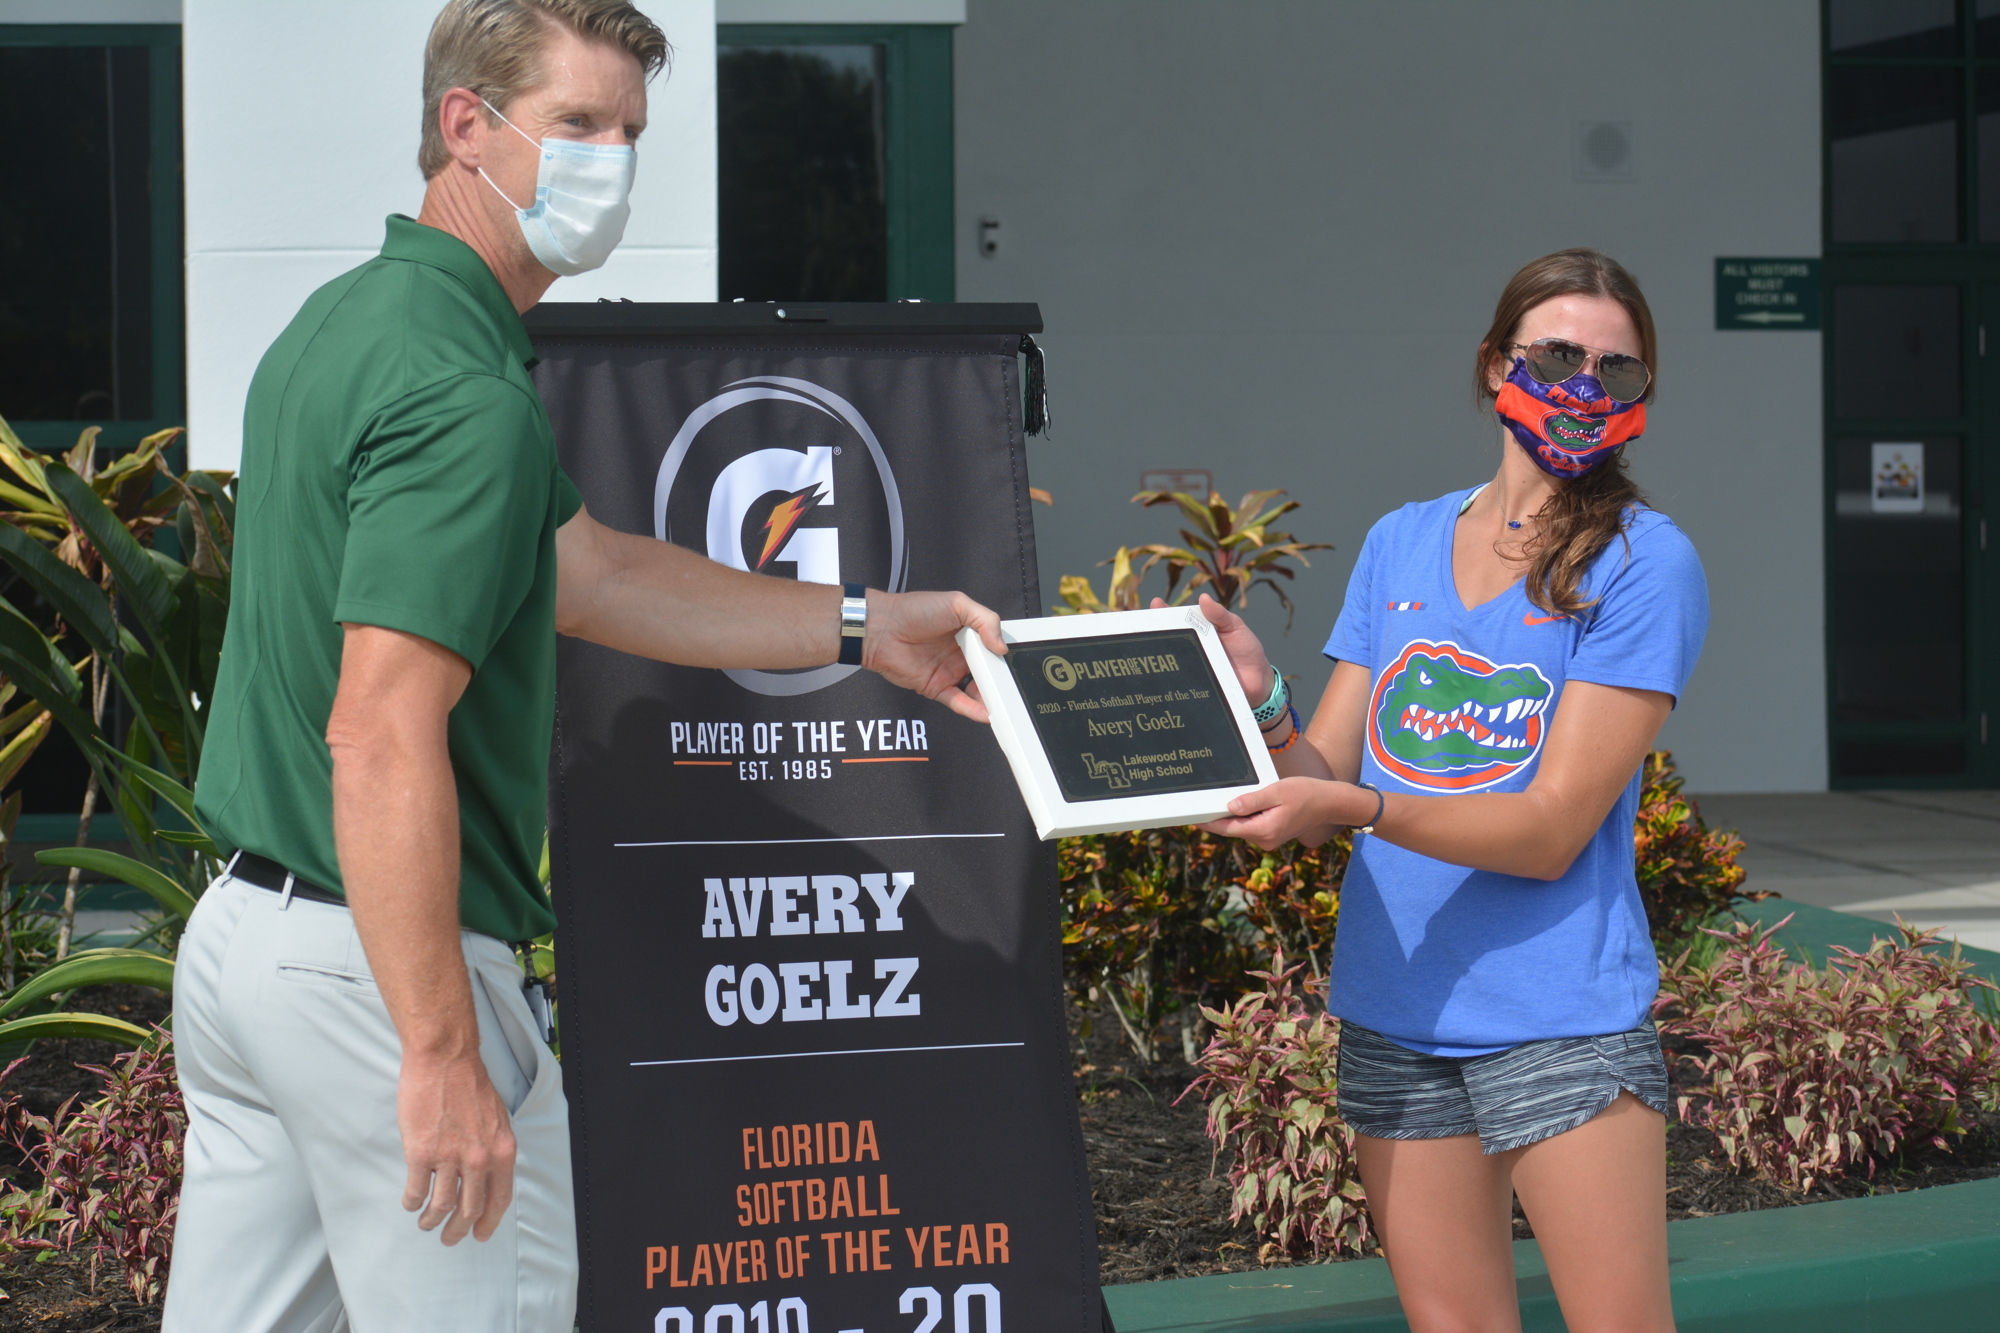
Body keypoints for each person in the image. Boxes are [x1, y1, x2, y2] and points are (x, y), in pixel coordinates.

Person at [165, 3, 1005, 1329]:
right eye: (576, 126)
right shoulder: (465, 398)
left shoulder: (351, 326)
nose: (610, 161)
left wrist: (861, 622)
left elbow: (593, 572)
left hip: (247, 952)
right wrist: (441, 1049)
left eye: (628, 132)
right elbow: (380, 732)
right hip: (384, 969)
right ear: (464, 127)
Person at [1190, 248, 1706, 1332]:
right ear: (1491, 366)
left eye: (1615, 369)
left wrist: (1360, 808)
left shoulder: (1642, 564)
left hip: (1556, 1020)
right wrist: (1261, 698)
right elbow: (1319, 770)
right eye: (1557, 354)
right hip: (1395, 1005)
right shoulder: (1402, 541)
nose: (1582, 385)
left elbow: (1550, 830)